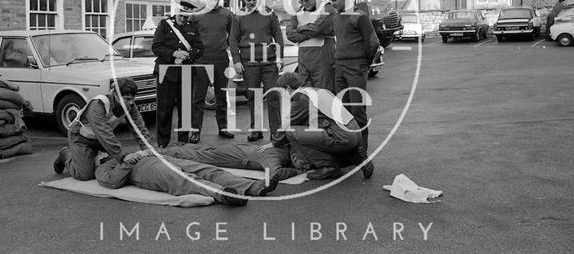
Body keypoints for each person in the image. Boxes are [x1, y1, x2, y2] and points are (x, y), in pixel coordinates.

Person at [261, 72, 374, 179]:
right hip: (355, 133)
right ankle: (353, 157)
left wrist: (275, 143)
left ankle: (329, 167)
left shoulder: (301, 98)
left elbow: (288, 124)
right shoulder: (316, 91)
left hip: (343, 137)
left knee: (291, 132)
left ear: (288, 88)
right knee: (313, 134)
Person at [52, 77, 152, 181]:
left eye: (132, 99)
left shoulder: (130, 106)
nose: (131, 102)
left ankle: (90, 157)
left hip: (99, 140)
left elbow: (139, 127)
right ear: (116, 94)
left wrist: (148, 148)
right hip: (80, 138)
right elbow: (104, 133)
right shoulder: (98, 105)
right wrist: (122, 156)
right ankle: (65, 155)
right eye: (127, 99)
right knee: (85, 175)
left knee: (114, 164)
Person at [95, 150, 278, 206]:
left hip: (157, 159)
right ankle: (224, 194)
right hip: (145, 171)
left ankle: (252, 187)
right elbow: (112, 182)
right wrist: (127, 161)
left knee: (207, 170)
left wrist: (144, 152)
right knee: (183, 179)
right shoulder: (104, 166)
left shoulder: (120, 152)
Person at [326, 0, 379, 151]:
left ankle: (362, 152)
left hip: (356, 68)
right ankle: (350, 150)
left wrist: (364, 64)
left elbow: (373, 43)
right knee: (344, 112)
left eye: (335, 0)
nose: (332, 4)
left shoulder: (360, 16)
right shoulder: (336, 17)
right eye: (331, 0)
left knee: (358, 112)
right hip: (339, 69)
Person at [229, 0, 284, 142]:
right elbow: (233, 40)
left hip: (269, 62)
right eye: (249, 0)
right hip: (249, 63)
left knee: (273, 96)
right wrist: (237, 61)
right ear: (244, 2)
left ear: (259, 0)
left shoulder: (269, 14)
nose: (252, 3)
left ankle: (276, 133)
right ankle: (256, 131)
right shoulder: (238, 16)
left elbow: (278, 35)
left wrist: (280, 58)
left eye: (254, 0)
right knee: (253, 97)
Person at [152, 4, 204, 147]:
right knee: (164, 109)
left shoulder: (192, 27)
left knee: (185, 108)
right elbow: (156, 46)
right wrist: (174, 54)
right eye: (180, 15)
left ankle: (183, 140)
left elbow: (200, 48)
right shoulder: (164, 25)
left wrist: (187, 55)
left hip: (186, 71)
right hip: (166, 72)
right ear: (176, 13)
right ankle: (162, 142)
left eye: (186, 16)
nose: (183, 19)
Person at [191, 0, 235, 139]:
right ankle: (195, 131)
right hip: (201, 60)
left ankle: (223, 128)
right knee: (198, 97)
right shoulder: (196, 15)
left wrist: (225, 46)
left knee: (221, 96)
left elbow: (233, 36)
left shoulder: (227, 15)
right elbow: (190, 38)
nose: (213, 2)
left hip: (221, 59)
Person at [160, 142, 300, 182]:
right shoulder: (273, 156)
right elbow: (276, 174)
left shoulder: (281, 146)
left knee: (206, 151)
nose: (304, 165)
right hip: (232, 155)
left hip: (238, 149)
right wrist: (298, 171)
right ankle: (164, 152)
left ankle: (180, 145)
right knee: (199, 157)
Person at [286, 0, 336, 91]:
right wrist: (310, 33)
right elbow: (290, 34)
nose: (304, 3)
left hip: (322, 60)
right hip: (303, 61)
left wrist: (299, 28)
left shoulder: (327, 9)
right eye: (301, 1)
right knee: (305, 95)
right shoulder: (298, 12)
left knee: (324, 94)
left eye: (307, 0)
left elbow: (317, 28)